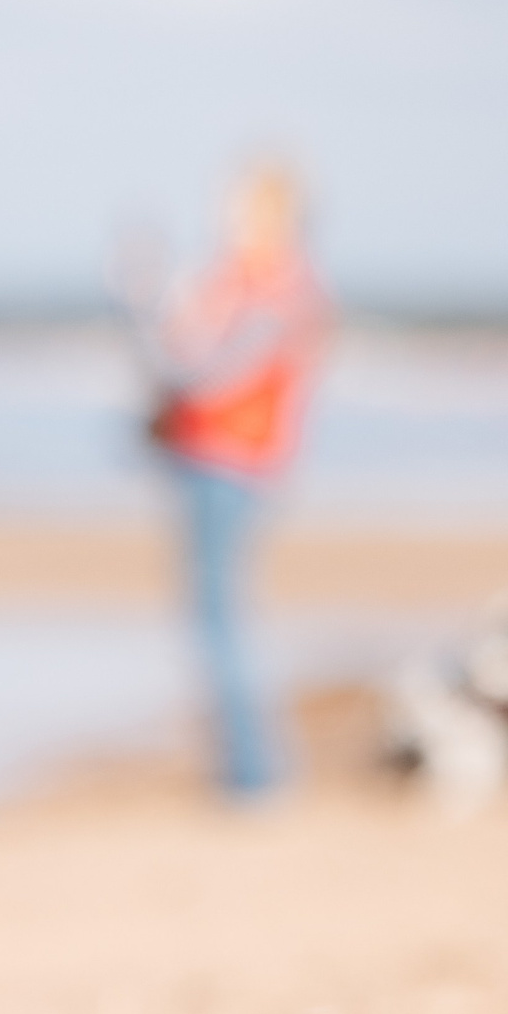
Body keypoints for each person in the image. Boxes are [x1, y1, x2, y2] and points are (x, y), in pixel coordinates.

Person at [126, 163, 328, 799]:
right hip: (214, 459)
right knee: (214, 616)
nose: (226, 219)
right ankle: (246, 767)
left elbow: (205, 368)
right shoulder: (238, 283)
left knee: (221, 620)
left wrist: (153, 314)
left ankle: (254, 773)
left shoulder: (278, 287)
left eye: (238, 208)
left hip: (232, 463)